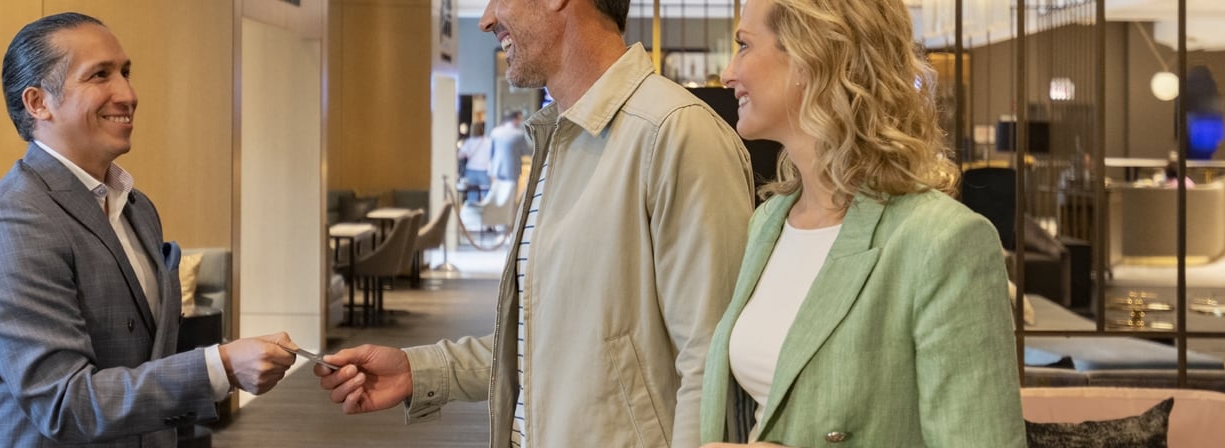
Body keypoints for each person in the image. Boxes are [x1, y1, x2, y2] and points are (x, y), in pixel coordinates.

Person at [313, 0, 755, 446]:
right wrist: (419, 370)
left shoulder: (675, 134)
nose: (486, 19)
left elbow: (710, 364)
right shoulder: (558, 140)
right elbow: (545, 343)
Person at [0, 13, 297, 447]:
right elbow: (64, 404)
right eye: (100, 75)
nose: (128, 94)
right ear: (38, 103)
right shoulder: (12, 224)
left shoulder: (137, 207)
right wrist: (219, 367)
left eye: (126, 73)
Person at [696, 0, 1026, 446]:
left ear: (810, 57)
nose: (728, 74)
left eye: (743, 46)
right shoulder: (769, 222)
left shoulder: (944, 242)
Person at [485, 110, 530, 204]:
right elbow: (526, 151)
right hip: (512, 170)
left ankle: (497, 216)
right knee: (510, 198)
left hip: (497, 169)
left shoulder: (495, 132)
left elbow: (491, 153)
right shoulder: (518, 134)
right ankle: (509, 217)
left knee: (497, 197)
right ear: (515, 120)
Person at [458, 123, 494, 204]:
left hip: (471, 171)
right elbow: (492, 156)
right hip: (484, 171)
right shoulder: (488, 141)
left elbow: (460, 155)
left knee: (472, 195)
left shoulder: (469, 142)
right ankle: (486, 214)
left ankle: (473, 214)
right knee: (486, 195)